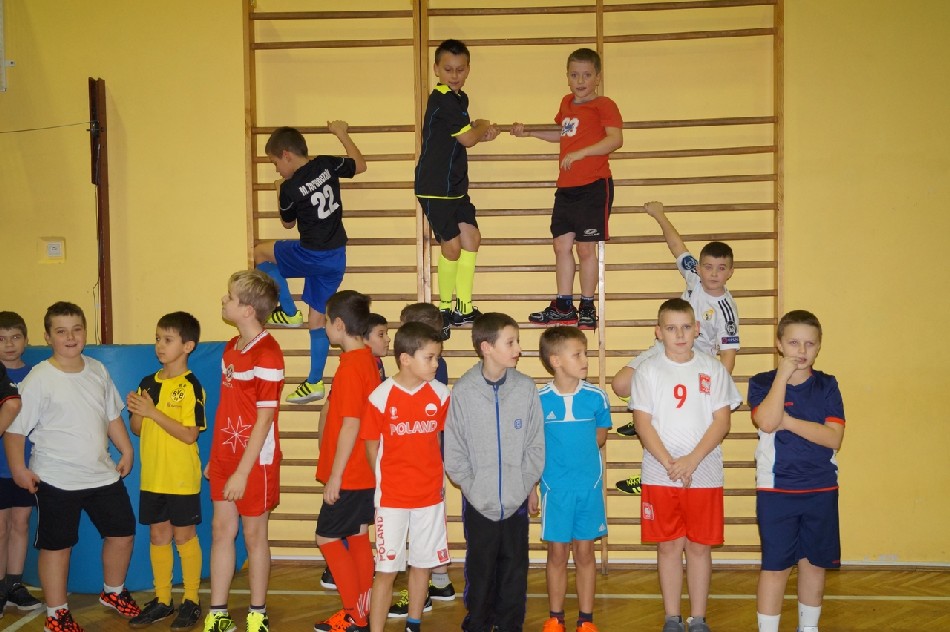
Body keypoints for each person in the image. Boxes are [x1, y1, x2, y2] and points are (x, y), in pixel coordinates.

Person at [4, 302, 141, 632]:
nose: (70, 337)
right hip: (56, 478)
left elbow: (111, 416)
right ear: (48, 337)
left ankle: (113, 592)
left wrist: (126, 449)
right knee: (57, 546)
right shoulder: (38, 378)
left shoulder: (97, 369)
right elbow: (14, 430)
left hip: (102, 474)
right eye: (61, 331)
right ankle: (57, 614)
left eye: (76, 329)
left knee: (122, 533)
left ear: (84, 332)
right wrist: (19, 470)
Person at [611, 200, 740, 495]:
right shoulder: (693, 276)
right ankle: (645, 411)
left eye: (721, 269)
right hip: (665, 348)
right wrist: (660, 215)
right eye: (708, 267)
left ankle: (652, 475)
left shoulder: (726, 310)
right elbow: (677, 246)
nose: (713, 274)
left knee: (678, 422)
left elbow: (728, 355)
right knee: (621, 384)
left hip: (694, 363)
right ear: (700, 267)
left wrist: (715, 389)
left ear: (730, 272)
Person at [631, 298, 741, 632]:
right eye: (671, 328)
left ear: (697, 329)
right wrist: (670, 463)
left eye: (685, 327)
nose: (679, 334)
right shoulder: (648, 370)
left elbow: (722, 422)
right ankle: (672, 617)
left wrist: (692, 461)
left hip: (704, 472)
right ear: (658, 332)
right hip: (660, 472)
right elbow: (642, 424)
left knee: (699, 546)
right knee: (668, 546)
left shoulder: (713, 368)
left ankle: (699, 618)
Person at [444, 313, 545, 632]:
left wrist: (523, 484)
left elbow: (535, 444)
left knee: (515, 569)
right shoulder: (464, 390)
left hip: (515, 502)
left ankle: (510, 624)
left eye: (517, 342)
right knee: (481, 568)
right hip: (479, 502)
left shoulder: (526, 388)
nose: (518, 349)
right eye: (510, 342)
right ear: (486, 347)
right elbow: (454, 449)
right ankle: (477, 622)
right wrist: (472, 487)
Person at [254, 122, 367, 405]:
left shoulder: (290, 188)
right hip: (336, 257)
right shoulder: (326, 164)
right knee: (316, 320)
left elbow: (287, 223)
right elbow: (360, 165)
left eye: (275, 163)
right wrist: (341, 134)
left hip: (312, 254)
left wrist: (279, 190)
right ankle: (315, 382)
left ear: (286, 155)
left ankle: (288, 310)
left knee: (259, 253)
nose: (277, 169)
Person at [512, 47, 623, 330]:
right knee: (561, 245)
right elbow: (561, 133)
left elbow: (615, 139)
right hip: (566, 188)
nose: (580, 80)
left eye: (586, 75)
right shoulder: (566, 103)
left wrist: (582, 153)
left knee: (585, 249)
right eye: (574, 75)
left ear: (597, 77)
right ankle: (564, 306)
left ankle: (586, 305)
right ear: (567, 77)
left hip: (594, 186)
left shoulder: (604, 105)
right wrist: (530, 131)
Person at [747, 310, 845, 632]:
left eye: (809, 344)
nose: (801, 351)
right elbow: (766, 421)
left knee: (814, 565)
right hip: (776, 489)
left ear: (819, 347)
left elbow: (833, 438)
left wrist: (787, 422)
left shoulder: (828, 385)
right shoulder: (762, 382)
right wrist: (782, 377)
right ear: (779, 344)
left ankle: (809, 628)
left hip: (821, 488)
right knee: (775, 566)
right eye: (793, 343)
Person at [203, 270, 285, 632]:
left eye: (230, 297)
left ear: (248, 309)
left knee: (254, 535)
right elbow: (228, 407)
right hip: (226, 455)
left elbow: (265, 419)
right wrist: (217, 457)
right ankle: (217, 614)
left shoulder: (268, 353)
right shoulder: (231, 347)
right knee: (221, 530)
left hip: (255, 462)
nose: (224, 300)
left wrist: (242, 471)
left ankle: (257, 613)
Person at [362, 322, 451, 632]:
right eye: (430, 358)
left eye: (437, 357)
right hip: (392, 499)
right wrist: (384, 481)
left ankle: (413, 624)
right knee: (386, 570)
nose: (436, 364)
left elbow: (441, 440)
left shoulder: (441, 395)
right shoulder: (380, 397)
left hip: (429, 497)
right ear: (405, 359)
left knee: (422, 564)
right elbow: (371, 446)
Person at [415, 39, 500, 339]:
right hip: (435, 187)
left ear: (468, 70)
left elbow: (460, 136)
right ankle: (443, 309)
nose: (454, 75)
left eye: (460, 69)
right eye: (448, 69)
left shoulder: (458, 98)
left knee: (472, 238)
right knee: (451, 247)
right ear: (436, 69)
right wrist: (482, 125)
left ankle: (464, 306)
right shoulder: (443, 99)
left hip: (455, 187)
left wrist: (480, 132)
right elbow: (466, 139)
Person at [127, 312, 206, 630]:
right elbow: (136, 429)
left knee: (184, 536)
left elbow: (189, 435)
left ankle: (191, 600)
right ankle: (162, 599)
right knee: (158, 535)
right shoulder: (147, 383)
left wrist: (152, 412)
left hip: (181, 477)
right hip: (153, 477)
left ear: (188, 346)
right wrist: (138, 411)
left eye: (168, 339)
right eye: (158, 338)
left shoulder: (191, 386)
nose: (160, 345)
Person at [534, 326, 612, 632]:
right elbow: (534, 447)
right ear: (555, 360)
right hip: (555, 490)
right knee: (556, 554)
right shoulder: (539, 399)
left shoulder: (596, 397)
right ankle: (556, 617)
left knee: (585, 553)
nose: (585, 360)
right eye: (577, 354)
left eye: (585, 353)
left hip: (588, 489)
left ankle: (586, 620)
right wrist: (533, 488)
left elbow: (600, 437)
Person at [385, 303, 456, 619]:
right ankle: (439, 582)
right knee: (428, 527)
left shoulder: (429, 367)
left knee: (420, 529)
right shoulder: (431, 364)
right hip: (423, 458)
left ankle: (422, 591)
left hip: (422, 460)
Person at [313, 291, 379, 632]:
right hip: (362, 472)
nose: (324, 326)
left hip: (351, 474)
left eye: (326, 321)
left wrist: (336, 476)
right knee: (357, 536)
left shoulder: (353, 367)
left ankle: (355, 612)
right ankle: (360, 614)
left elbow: (351, 424)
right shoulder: (365, 360)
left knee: (326, 538)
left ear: (339, 325)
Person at [0, 311, 42, 613]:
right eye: (1, 339)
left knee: (21, 523)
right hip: (0, 466)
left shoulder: (37, 375)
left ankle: (14, 584)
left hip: (27, 465)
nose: (9, 344)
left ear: (26, 340)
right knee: (0, 528)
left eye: (15, 337)